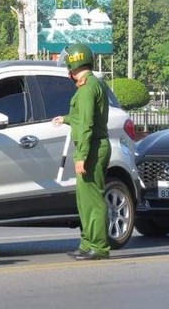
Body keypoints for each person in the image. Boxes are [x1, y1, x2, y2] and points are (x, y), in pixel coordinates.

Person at [51, 42, 112, 261]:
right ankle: (87, 243)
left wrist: (82, 156)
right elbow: (81, 117)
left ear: (74, 61)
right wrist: (66, 119)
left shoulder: (87, 87)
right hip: (92, 145)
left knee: (92, 199)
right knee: (84, 199)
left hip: (92, 147)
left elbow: (87, 123)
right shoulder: (92, 83)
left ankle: (98, 245)